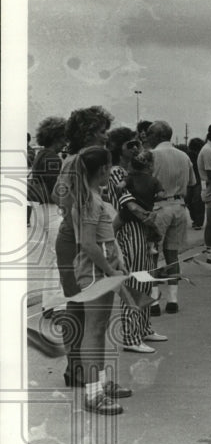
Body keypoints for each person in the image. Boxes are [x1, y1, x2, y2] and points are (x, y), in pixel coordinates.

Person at [64, 146, 132, 414]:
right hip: (95, 272)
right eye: (110, 166)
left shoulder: (93, 196)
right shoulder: (89, 201)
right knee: (93, 330)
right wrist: (110, 270)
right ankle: (93, 394)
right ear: (103, 169)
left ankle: (101, 383)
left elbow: (105, 239)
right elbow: (89, 245)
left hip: (103, 269)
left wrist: (118, 262)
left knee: (100, 327)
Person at [53, 106, 113, 387]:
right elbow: (60, 196)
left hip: (78, 236)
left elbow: (59, 194)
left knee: (81, 306)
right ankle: (76, 368)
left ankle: (81, 370)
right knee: (78, 305)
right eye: (102, 131)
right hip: (74, 239)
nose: (106, 136)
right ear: (89, 132)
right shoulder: (76, 161)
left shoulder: (81, 160)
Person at [107, 132, 166, 354]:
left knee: (145, 279)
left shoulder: (131, 173)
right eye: (130, 144)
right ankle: (131, 336)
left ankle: (143, 328)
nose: (135, 148)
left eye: (137, 144)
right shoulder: (116, 173)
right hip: (129, 231)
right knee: (134, 282)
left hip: (140, 230)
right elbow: (129, 204)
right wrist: (150, 220)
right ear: (117, 148)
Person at [147, 120, 196, 314]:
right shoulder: (184, 156)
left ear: (156, 136)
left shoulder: (151, 155)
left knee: (152, 254)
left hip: (158, 206)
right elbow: (192, 183)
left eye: (149, 135)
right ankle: (173, 300)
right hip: (179, 206)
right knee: (172, 254)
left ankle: (153, 301)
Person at [27, 116, 67, 294]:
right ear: (56, 137)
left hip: (39, 209)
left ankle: (49, 303)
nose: (65, 142)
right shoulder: (52, 158)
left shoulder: (40, 154)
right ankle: (58, 305)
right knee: (61, 257)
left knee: (51, 257)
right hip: (52, 210)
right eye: (63, 138)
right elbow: (57, 191)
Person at [186, 137, 205, 229]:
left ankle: (198, 222)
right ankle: (195, 219)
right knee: (188, 200)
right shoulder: (188, 155)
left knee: (197, 201)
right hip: (189, 179)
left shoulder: (202, 155)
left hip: (199, 179)